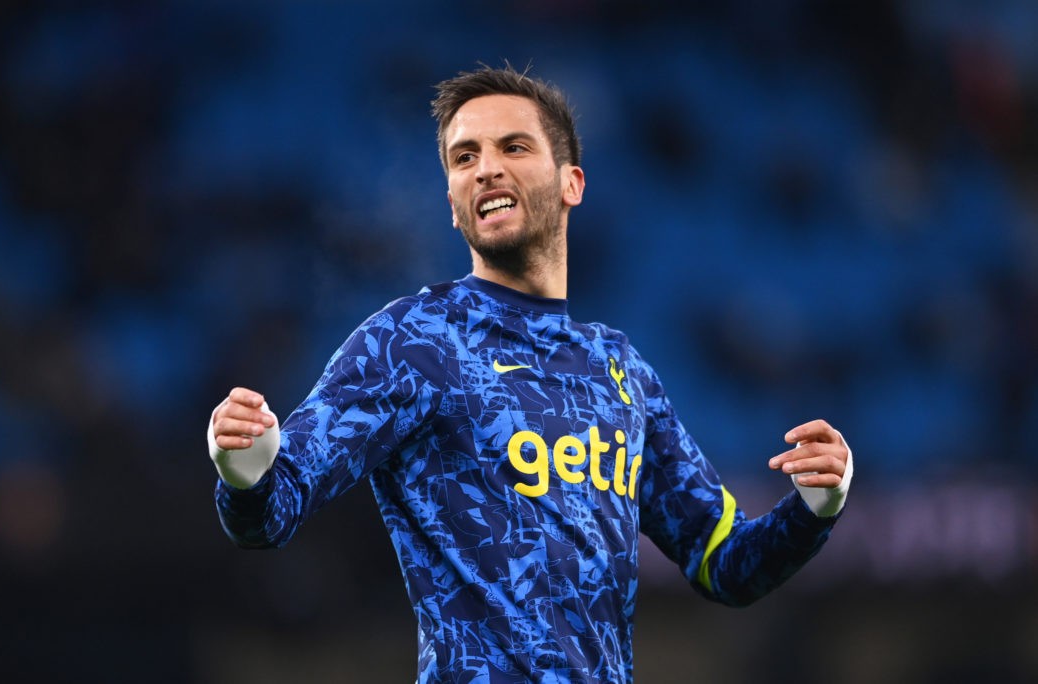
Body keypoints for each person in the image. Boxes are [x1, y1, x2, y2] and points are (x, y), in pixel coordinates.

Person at [207, 64, 853, 683]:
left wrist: (814, 510)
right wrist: (246, 472)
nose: (486, 168)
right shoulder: (412, 342)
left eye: (512, 146)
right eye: (464, 158)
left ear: (571, 182)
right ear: (454, 206)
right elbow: (275, 506)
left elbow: (725, 564)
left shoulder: (620, 370)